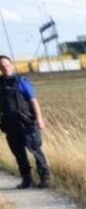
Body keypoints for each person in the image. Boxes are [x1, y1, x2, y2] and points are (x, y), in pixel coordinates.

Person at [0, 55, 49, 189]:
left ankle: (44, 179)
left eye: (7, 65)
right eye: (2, 66)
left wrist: (39, 119)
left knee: (35, 149)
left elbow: (33, 101)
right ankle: (26, 180)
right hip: (10, 124)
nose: (5, 68)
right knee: (19, 153)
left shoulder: (22, 81)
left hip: (27, 122)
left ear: (11, 65)